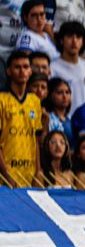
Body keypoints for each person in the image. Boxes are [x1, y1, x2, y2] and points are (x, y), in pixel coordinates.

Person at [0, 51, 42, 186]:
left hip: (29, 174)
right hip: (6, 174)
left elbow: (35, 140)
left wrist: (38, 171)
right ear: (8, 71)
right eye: (17, 67)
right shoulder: (2, 100)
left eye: (25, 67)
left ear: (30, 71)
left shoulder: (35, 101)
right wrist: (6, 174)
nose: (22, 71)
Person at [50, 21, 85, 112]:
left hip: (84, 121)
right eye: (69, 36)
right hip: (64, 120)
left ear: (83, 42)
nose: (74, 41)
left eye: (78, 37)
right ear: (61, 40)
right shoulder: (53, 67)